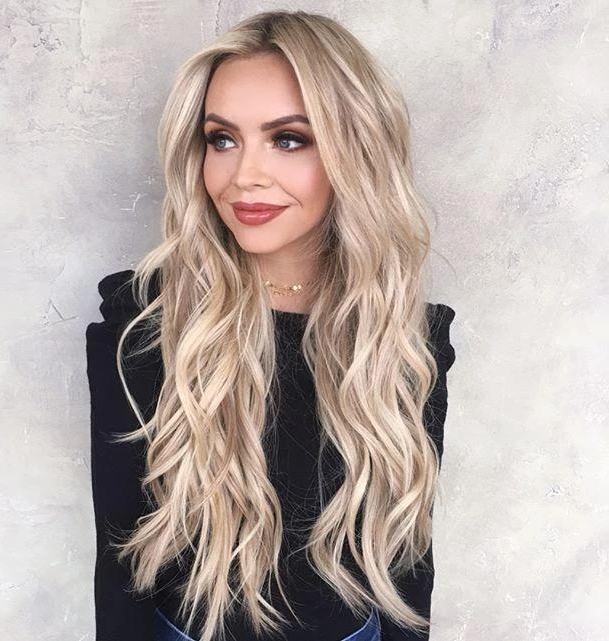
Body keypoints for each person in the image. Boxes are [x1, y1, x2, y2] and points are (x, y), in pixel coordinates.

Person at [85, 10, 456, 641]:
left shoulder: (406, 336)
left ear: (357, 149)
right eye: (222, 139)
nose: (244, 176)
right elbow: (121, 570)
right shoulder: (141, 324)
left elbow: (406, 564)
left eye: (288, 139)